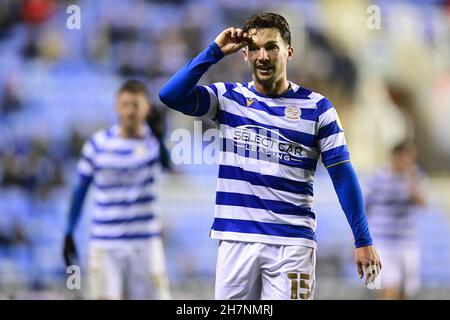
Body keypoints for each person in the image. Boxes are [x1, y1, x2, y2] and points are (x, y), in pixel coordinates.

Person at [159, 12, 381, 300]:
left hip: (292, 245)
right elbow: (170, 95)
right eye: (254, 48)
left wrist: (362, 238)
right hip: (236, 239)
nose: (262, 56)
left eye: (272, 47)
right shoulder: (228, 99)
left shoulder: (318, 108)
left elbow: (342, 175)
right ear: (244, 55)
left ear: (288, 53)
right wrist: (214, 52)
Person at [63, 79, 170, 300]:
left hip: (145, 244)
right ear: (116, 107)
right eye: (125, 104)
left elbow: (169, 167)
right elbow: (79, 190)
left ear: (146, 108)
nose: (130, 111)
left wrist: (160, 138)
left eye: (136, 105)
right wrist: (69, 229)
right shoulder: (97, 144)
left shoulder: (152, 143)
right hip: (106, 242)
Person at [365, 141, 426, 299]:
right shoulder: (379, 176)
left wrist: (410, 181)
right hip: (383, 241)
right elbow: (365, 205)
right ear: (397, 156)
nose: (410, 161)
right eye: (407, 157)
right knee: (389, 287)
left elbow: (422, 202)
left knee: (406, 292)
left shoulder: (415, 176)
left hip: (407, 242)